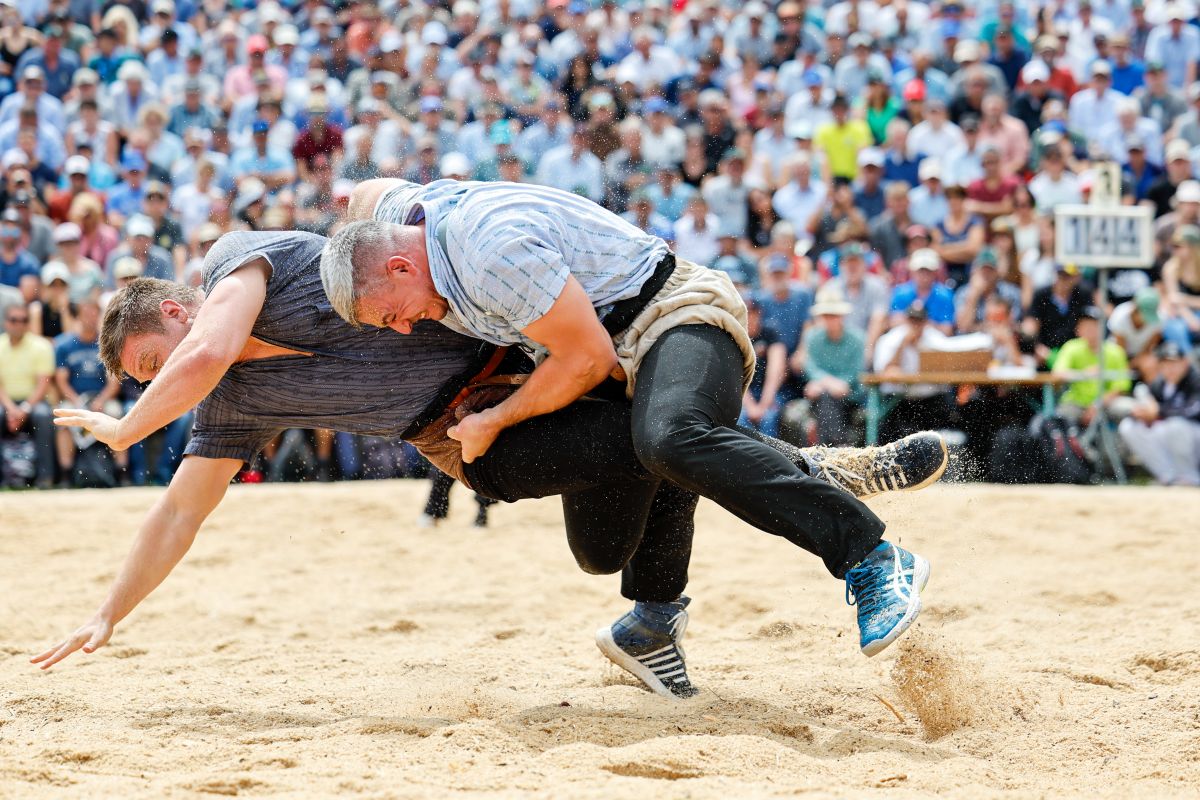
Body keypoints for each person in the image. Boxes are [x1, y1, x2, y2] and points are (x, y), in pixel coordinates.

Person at [43, 228, 948, 700]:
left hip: (527, 361)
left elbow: (205, 352)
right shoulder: (230, 407)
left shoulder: (242, 266)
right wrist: (107, 612)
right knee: (615, 521)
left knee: (666, 438)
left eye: (153, 367)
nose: (165, 389)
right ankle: (797, 481)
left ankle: (821, 481)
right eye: (148, 387)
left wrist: (125, 429)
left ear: (178, 309)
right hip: (471, 441)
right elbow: (178, 514)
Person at [323, 179, 947, 669]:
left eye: (392, 314)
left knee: (670, 436)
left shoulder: (490, 254)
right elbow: (368, 193)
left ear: (402, 266)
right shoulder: (399, 220)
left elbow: (586, 359)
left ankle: (871, 556)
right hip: (607, 361)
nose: (403, 328)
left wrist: (495, 419)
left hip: (670, 313)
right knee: (601, 550)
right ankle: (659, 617)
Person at [1118, 341, 1200, 485]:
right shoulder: (1159, 383)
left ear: (1185, 362)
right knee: (1128, 427)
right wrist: (1141, 413)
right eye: (1165, 364)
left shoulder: (1195, 380)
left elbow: (1193, 411)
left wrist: (1159, 412)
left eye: (1174, 363)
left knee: (1176, 425)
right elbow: (1149, 409)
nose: (1170, 369)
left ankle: (1189, 478)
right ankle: (1168, 478)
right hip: (1172, 435)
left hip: (1194, 436)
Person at [799, 285, 865, 445]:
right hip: (822, 391)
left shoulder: (857, 338)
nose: (830, 320)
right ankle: (837, 443)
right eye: (826, 316)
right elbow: (810, 366)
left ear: (842, 316)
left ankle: (826, 445)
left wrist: (831, 383)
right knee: (826, 398)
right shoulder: (812, 337)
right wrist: (829, 383)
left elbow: (855, 372)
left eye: (833, 315)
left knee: (827, 399)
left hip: (849, 394)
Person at [0, 301, 55, 487]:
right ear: (6, 322)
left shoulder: (41, 346)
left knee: (43, 415)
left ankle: (46, 477)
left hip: (33, 402)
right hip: (6, 402)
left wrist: (23, 409)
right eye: (14, 320)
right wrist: (11, 409)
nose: (19, 324)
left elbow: (43, 384)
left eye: (24, 320)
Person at [1052, 306, 1134, 425]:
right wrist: (1083, 374)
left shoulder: (1116, 352)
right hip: (1077, 402)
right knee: (1061, 416)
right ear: (1078, 329)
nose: (1090, 330)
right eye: (1086, 325)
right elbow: (1057, 374)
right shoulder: (1071, 347)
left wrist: (1097, 405)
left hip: (1108, 403)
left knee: (1131, 409)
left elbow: (1121, 386)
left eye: (1094, 325)